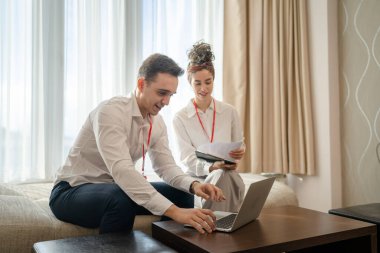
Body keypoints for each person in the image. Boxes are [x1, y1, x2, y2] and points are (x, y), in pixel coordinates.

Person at [49, 53, 226, 235]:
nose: (166, 102)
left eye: (171, 95)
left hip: (114, 189)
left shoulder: (157, 122)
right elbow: (122, 171)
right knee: (120, 199)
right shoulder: (110, 112)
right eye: (162, 93)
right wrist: (175, 212)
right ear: (141, 84)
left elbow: (166, 167)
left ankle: (168, 247)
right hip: (71, 191)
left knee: (182, 194)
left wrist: (194, 184)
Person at [173, 41, 245, 212]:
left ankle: (214, 220)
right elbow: (187, 159)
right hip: (199, 179)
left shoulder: (230, 112)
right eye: (197, 83)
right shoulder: (180, 118)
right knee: (220, 174)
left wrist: (240, 152)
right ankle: (226, 220)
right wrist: (212, 167)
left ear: (214, 80)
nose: (203, 88)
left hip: (229, 175)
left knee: (225, 174)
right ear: (190, 82)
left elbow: (238, 144)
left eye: (208, 82)